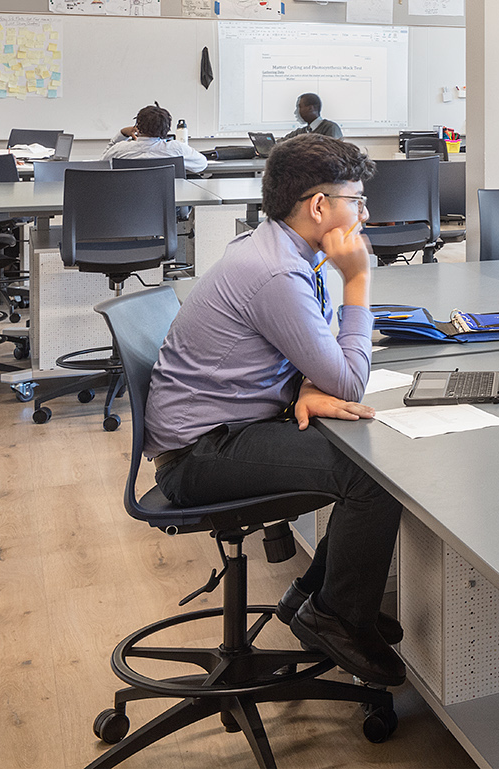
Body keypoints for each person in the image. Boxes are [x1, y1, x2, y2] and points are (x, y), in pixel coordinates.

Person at [143, 134, 405, 686]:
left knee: (358, 450)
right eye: (356, 199)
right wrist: (358, 278)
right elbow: (350, 380)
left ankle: (311, 597)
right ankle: (335, 616)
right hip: (199, 454)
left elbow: (320, 356)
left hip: (229, 424)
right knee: (373, 472)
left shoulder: (281, 249)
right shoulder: (277, 274)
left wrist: (304, 386)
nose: (365, 211)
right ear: (318, 206)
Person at [107, 103, 206, 173]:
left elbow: (101, 164)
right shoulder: (177, 148)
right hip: (169, 201)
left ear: (137, 126)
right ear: (166, 128)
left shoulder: (120, 149)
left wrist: (122, 134)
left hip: (129, 201)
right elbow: (201, 164)